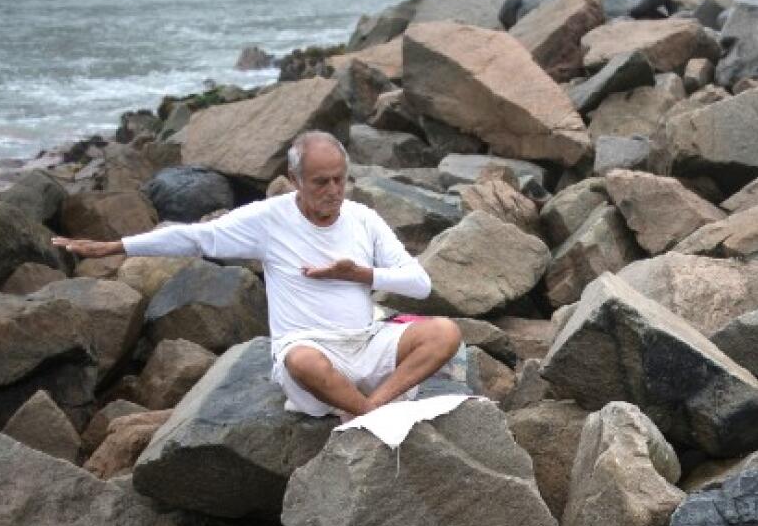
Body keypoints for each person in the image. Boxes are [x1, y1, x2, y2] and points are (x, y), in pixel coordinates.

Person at [53, 130, 459, 420]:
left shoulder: (363, 218)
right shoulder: (269, 219)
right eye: (321, 182)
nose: (334, 190)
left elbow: (419, 284)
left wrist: (360, 274)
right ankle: (365, 410)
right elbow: (198, 238)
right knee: (301, 362)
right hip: (312, 349)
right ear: (296, 179)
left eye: (340, 179)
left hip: (365, 341)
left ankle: (372, 406)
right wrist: (118, 246)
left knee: (444, 334)